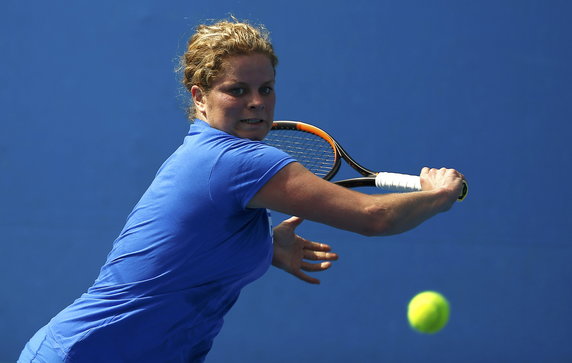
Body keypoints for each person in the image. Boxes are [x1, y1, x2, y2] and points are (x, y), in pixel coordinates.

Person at [18, 18, 465, 362]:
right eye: (237, 90)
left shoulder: (207, 154)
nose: (257, 102)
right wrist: (438, 195)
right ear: (199, 96)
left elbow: (184, 249)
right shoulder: (239, 161)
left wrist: (262, 248)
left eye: (266, 89)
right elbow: (374, 217)